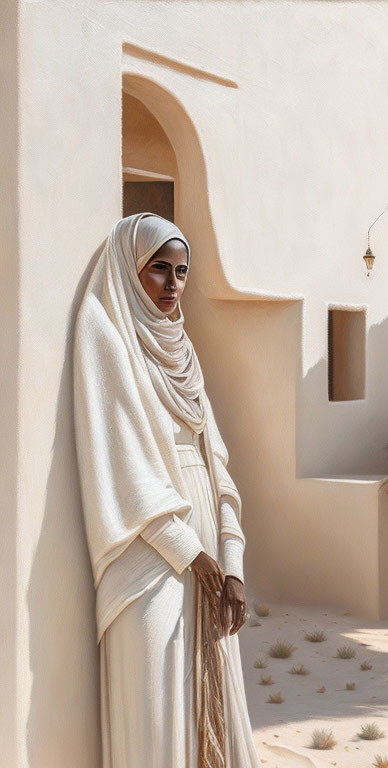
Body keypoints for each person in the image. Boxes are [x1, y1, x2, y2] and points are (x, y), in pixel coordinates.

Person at [73, 212, 261, 767]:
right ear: (131, 268)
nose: (173, 285)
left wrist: (231, 563)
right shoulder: (104, 334)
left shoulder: (182, 347)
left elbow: (216, 464)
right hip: (148, 551)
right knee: (157, 710)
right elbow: (121, 463)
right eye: (158, 269)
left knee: (212, 700)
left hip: (203, 542)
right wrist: (193, 556)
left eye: (181, 271)